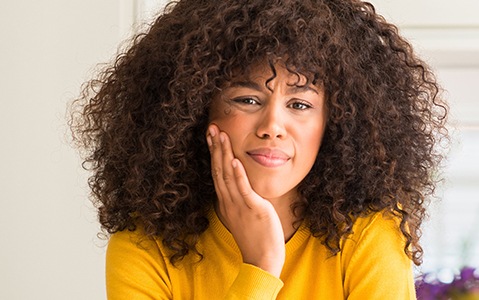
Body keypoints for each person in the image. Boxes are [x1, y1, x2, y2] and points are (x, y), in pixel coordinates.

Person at [70, 0, 448, 299]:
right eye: (248, 99)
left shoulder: (369, 235)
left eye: (299, 105)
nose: (272, 127)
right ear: (196, 109)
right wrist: (260, 269)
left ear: (334, 124)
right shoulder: (144, 246)